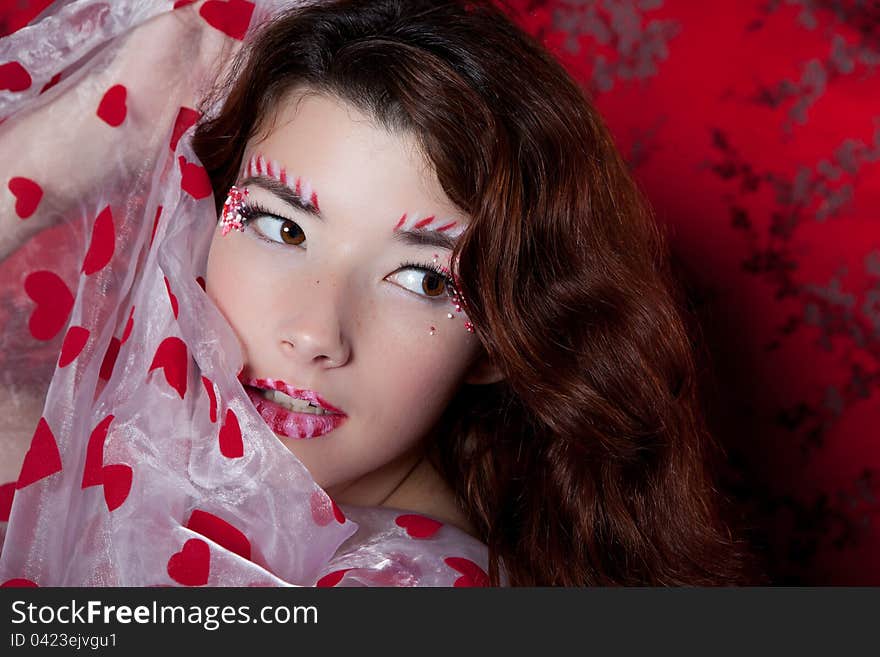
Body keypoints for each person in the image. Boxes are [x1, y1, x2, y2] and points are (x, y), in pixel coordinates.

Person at [0, 0, 751, 586]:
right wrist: (97, 131)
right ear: (198, 221)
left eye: (424, 279)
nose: (317, 330)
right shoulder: (140, 452)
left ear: (503, 335)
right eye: (281, 229)